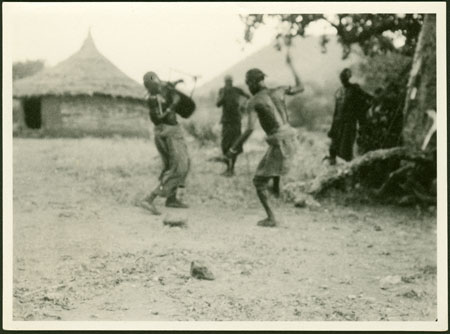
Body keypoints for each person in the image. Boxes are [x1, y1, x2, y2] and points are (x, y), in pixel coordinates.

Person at [226, 55, 304, 227]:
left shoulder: (253, 101)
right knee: (270, 164)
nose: (248, 87)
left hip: (279, 140)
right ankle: (276, 188)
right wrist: (292, 66)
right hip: (291, 136)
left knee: (258, 181)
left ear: (253, 83)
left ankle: (271, 217)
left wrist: (234, 148)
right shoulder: (280, 90)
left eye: (248, 83)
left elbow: (249, 129)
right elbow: (301, 87)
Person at [140, 71, 193, 215]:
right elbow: (158, 118)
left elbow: (167, 86)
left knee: (173, 165)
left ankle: (172, 199)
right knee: (180, 166)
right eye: (155, 84)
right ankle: (149, 198)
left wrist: (177, 82)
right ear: (150, 87)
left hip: (166, 132)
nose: (159, 85)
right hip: (169, 132)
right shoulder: (153, 99)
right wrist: (173, 105)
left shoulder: (159, 92)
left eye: (158, 82)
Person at [326, 68, 372, 165]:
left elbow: (368, 99)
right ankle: (333, 170)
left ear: (349, 77)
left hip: (349, 124)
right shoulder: (338, 92)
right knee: (333, 150)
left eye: (345, 76)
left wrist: (361, 115)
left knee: (346, 151)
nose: (343, 78)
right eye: (342, 76)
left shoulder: (355, 89)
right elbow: (336, 112)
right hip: (338, 124)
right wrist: (332, 129)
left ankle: (349, 171)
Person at [216, 75, 250, 176]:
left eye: (230, 81)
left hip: (236, 121)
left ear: (232, 81)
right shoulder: (222, 90)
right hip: (226, 122)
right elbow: (218, 104)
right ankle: (228, 168)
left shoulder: (237, 90)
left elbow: (248, 97)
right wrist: (223, 94)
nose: (228, 83)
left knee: (235, 144)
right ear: (224, 82)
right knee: (225, 145)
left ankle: (232, 169)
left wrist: (243, 106)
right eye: (227, 82)